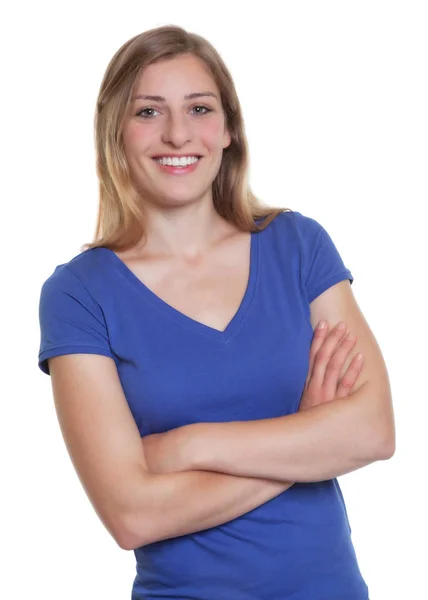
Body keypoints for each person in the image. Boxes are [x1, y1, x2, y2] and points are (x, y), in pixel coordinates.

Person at [37, 25, 395, 600]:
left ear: (228, 128)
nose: (178, 133)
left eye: (199, 108)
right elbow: (132, 516)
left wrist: (188, 445)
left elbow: (373, 431)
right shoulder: (79, 294)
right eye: (149, 111)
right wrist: (306, 435)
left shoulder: (298, 246)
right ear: (116, 133)